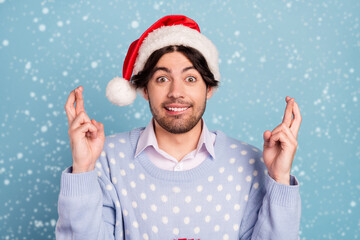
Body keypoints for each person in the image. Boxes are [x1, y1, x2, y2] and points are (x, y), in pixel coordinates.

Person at [56, 15, 302, 240]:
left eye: (191, 79)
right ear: (144, 90)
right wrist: (83, 169)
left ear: (209, 89)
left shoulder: (248, 161)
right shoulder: (107, 157)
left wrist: (279, 179)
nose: (176, 92)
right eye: (162, 79)